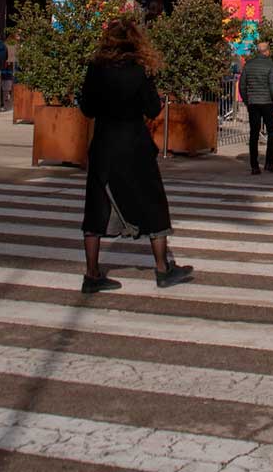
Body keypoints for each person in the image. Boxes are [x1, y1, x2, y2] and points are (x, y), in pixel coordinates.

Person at [79, 18, 193, 291]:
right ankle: (163, 268)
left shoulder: (95, 70)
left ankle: (92, 274)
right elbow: (153, 109)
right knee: (153, 204)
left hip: (104, 144)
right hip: (135, 145)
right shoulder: (139, 71)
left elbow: (87, 108)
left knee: (96, 209)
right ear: (134, 42)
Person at [240, 40, 273, 175]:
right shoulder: (270, 65)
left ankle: (254, 165)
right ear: (267, 51)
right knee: (272, 132)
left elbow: (242, 85)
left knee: (254, 133)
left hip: (253, 103)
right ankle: (269, 163)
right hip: (268, 102)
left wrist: (247, 100)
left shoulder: (248, 65)